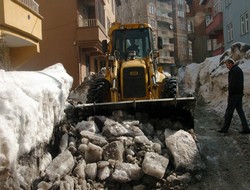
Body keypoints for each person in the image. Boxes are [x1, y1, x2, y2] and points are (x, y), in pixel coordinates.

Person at [218, 58, 250, 134]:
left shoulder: (234, 71)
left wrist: (231, 94)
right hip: (239, 94)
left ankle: (225, 129)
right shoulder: (238, 70)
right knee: (240, 111)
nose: (227, 67)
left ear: (230, 63)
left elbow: (232, 84)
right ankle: (246, 129)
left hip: (234, 95)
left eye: (227, 65)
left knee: (229, 112)